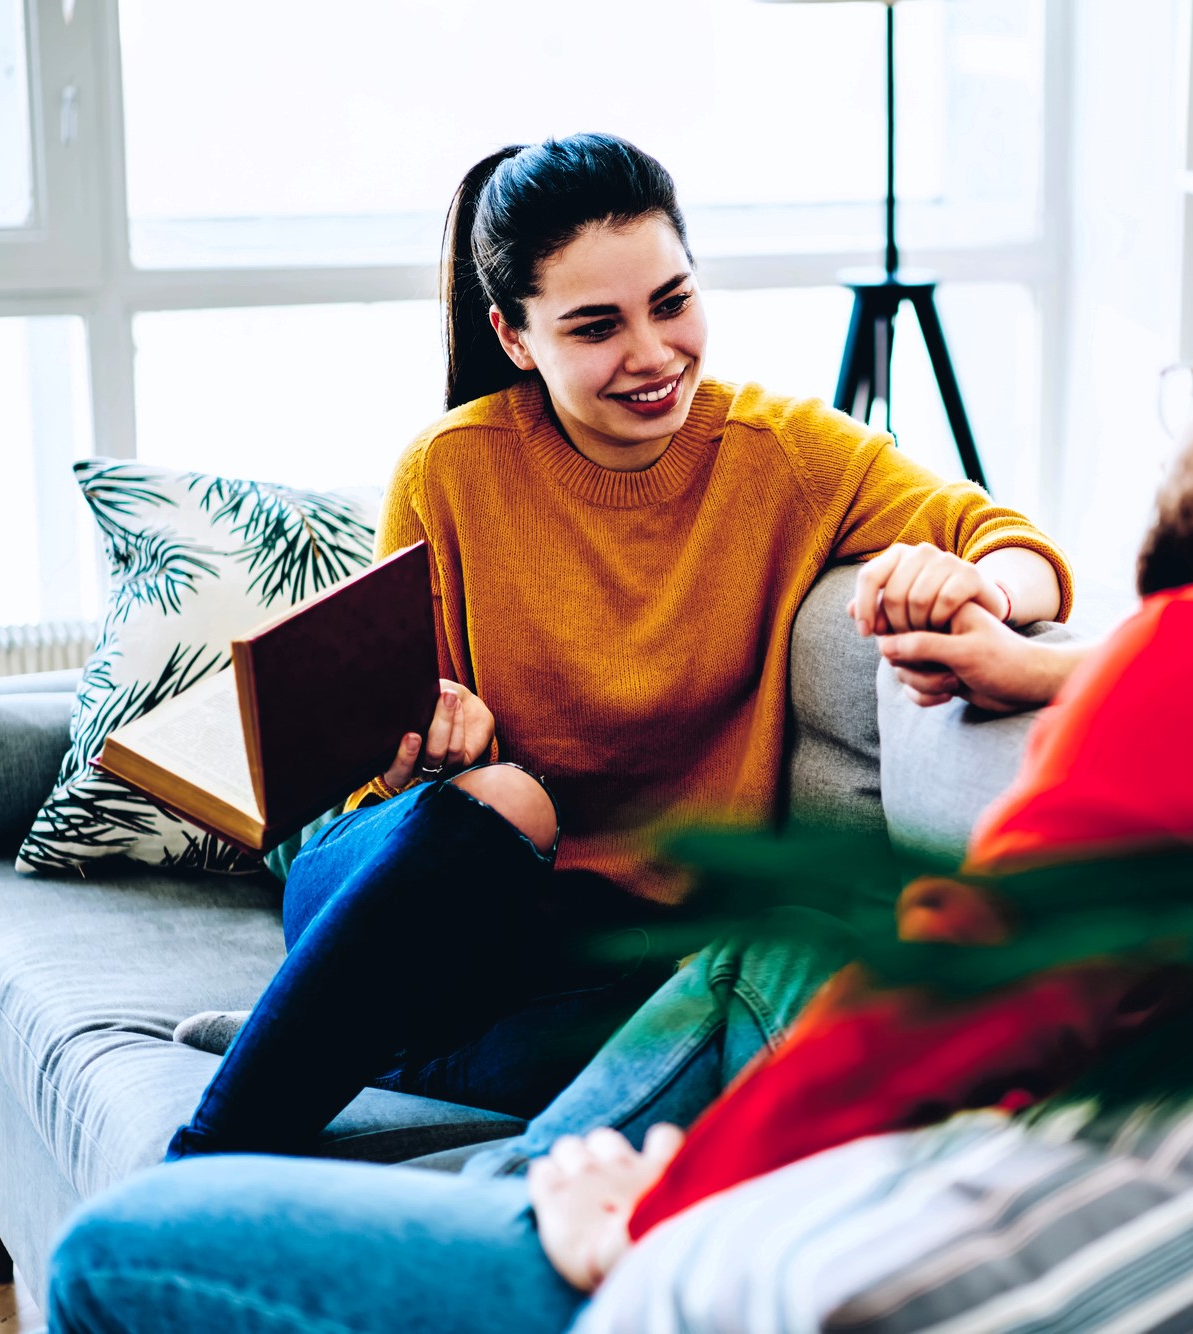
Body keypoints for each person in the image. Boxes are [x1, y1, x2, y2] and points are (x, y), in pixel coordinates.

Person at [51, 228, 1193, 1334]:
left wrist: (659, 1218)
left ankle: (527, 1204)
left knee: (118, 1251)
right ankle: (518, 1174)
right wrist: (1060, 670)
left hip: (964, 1261)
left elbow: (959, 998)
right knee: (768, 941)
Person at [162, 131, 1071, 1162]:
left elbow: (1016, 544)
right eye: (596, 326)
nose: (652, 354)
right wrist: (424, 753)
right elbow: (396, 764)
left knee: (747, 1013)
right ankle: (204, 1154)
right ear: (513, 335)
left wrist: (978, 586)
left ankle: (350, 1036)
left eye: (672, 301)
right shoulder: (450, 469)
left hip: (607, 961)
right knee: (510, 801)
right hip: (412, 888)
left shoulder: (781, 455)